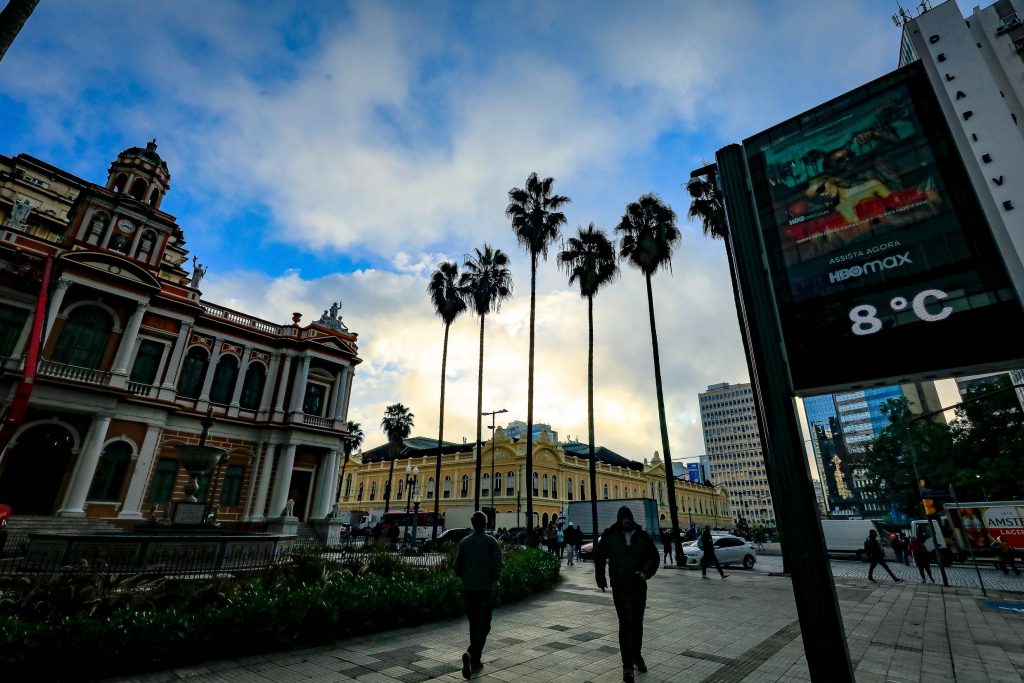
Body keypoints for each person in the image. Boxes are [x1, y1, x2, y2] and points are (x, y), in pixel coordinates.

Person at [595, 506, 660, 683]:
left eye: (627, 517)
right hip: (620, 586)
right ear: (619, 518)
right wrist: (600, 579)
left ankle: (637, 656)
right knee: (625, 624)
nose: (625, 520)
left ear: (631, 518)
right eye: (622, 517)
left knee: (637, 623)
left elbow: (654, 557)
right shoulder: (611, 535)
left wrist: (646, 572)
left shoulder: (641, 535)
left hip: (638, 585)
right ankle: (627, 667)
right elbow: (599, 556)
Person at [454, 511, 503, 680]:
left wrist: (468, 576)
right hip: (485, 590)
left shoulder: (464, 542)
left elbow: (457, 568)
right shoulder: (492, 542)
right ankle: (472, 654)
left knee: (474, 625)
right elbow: (497, 569)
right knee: (485, 625)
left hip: (468, 589)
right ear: (486, 524)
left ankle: (475, 661)